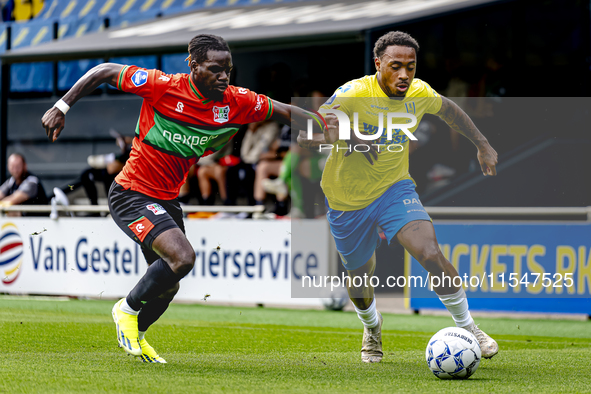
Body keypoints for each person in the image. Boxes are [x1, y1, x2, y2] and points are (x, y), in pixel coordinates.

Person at [42, 34, 323, 363]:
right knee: (183, 258)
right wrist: (62, 106)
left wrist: (321, 125)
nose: (223, 77)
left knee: (170, 284)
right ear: (193, 66)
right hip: (131, 192)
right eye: (215, 69)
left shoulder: (236, 101)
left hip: (167, 200)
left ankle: (138, 335)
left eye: (228, 71)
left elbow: (285, 111)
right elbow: (104, 70)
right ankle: (126, 309)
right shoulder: (162, 85)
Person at [298, 31, 499, 363]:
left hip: (395, 189)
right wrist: (355, 137)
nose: (404, 74)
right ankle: (372, 326)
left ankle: (470, 328)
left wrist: (482, 144)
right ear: (378, 64)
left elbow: (450, 111)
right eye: (395, 66)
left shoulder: (418, 92)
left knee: (430, 252)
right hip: (347, 201)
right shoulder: (352, 94)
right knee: (360, 279)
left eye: (410, 66)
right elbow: (308, 134)